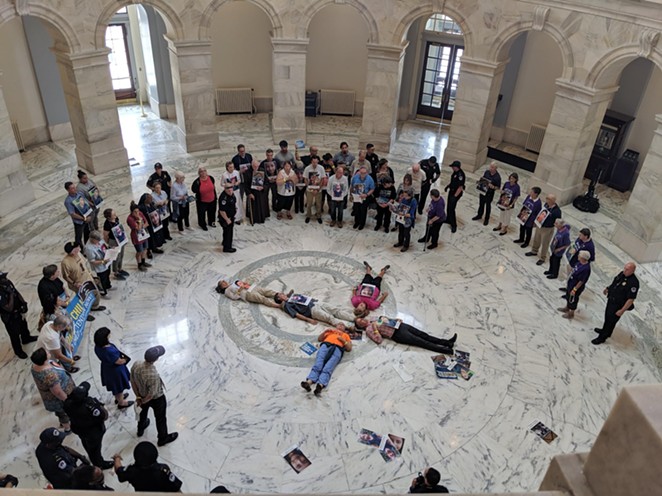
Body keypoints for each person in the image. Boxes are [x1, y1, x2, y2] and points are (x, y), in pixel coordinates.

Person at [131, 345, 178, 446]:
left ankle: (140, 429)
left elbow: (132, 381)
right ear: (156, 359)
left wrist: (138, 397)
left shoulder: (136, 364)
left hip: (141, 395)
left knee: (142, 413)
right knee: (160, 418)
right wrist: (143, 400)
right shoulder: (153, 375)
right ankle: (162, 438)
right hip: (156, 399)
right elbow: (151, 394)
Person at [63, 381, 114, 469]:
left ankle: (91, 455)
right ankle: (99, 463)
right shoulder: (90, 406)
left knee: (85, 442)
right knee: (95, 448)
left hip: (78, 428)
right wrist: (97, 404)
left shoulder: (67, 404)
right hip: (93, 432)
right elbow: (103, 416)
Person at [593, 262, 639, 345]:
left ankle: (602, 337)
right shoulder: (622, 274)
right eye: (624, 268)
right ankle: (606, 331)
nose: (624, 270)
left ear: (633, 271)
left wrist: (622, 311)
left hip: (618, 305)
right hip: (611, 300)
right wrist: (608, 288)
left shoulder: (634, 283)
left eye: (627, 269)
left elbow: (630, 300)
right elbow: (615, 283)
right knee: (608, 318)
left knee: (610, 321)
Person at [354, 316, 456, 354]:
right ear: (360, 326)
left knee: (424, 335)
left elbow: (384, 319)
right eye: (360, 322)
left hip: (401, 326)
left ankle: (448, 342)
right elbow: (378, 340)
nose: (363, 321)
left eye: (361, 319)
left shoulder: (372, 318)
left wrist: (394, 319)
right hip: (397, 334)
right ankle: (446, 350)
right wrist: (375, 329)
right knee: (422, 342)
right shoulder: (368, 330)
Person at [30, 347, 75, 431]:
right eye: (46, 353)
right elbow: (57, 392)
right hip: (58, 399)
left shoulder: (36, 366)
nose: (48, 352)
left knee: (62, 413)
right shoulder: (49, 375)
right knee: (63, 413)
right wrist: (67, 400)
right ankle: (67, 428)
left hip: (56, 393)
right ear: (44, 359)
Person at [300, 325, 353, 396]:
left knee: (329, 366)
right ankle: (309, 382)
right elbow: (319, 339)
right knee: (318, 362)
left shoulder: (346, 335)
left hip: (338, 349)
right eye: (339, 325)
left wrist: (344, 341)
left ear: (344, 329)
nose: (340, 326)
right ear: (336, 326)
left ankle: (320, 385)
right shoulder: (331, 332)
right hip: (325, 345)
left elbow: (349, 348)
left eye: (342, 325)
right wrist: (324, 332)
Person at [113, 441, 183, 492]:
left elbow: (119, 470)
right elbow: (176, 488)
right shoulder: (162, 470)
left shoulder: (131, 471)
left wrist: (117, 458)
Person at [0, 271, 37, 359]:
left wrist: (23, 303)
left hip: (18, 311)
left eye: (5, 277)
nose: (6, 279)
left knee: (24, 326)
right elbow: (8, 308)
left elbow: (16, 292)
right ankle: (18, 351)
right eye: (3, 279)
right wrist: (10, 295)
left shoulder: (7, 283)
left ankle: (26, 338)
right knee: (14, 335)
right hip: (10, 317)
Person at [93, 327, 133, 408]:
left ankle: (118, 398)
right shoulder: (109, 351)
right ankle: (121, 402)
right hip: (115, 372)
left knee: (116, 387)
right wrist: (125, 359)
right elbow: (119, 361)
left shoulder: (97, 347)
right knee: (118, 387)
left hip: (107, 368)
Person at [61, 241, 105, 312]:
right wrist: (74, 283)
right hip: (79, 283)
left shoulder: (79, 254)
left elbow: (84, 264)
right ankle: (85, 312)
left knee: (95, 292)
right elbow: (66, 276)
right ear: (72, 251)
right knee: (84, 299)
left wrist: (90, 274)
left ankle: (95, 306)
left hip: (88, 278)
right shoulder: (65, 262)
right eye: (77, 248)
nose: (79, 249)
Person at [273, 292, 356, 327]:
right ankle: (350, 326)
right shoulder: (287, 305)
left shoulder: (293, 296)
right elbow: (296, 314)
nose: (282, 294)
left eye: (281, 293)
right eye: (280, 295)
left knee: (336, 310)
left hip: (316, 303)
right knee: (330, 318)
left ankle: (355, 319)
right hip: (312, 311)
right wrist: (309, 320)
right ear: (279, 299)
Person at [526, 193, 562, 266]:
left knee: (545, 243)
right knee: (536, 239)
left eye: (548, 198)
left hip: (547, 228)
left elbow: (558, 221)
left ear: (552, 201)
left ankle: (542, 258)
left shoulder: (557, 211)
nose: (546, 199)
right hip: (540, 225)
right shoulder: (546, 205)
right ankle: (534, 251)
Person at [557, 250, 591, 320]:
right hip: (571, 283)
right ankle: (567, 307)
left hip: (576, 286)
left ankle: (571, 313)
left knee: (573, 299)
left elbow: (581, 281)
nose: (578, 256)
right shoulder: (579, 263)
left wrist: (575, 289)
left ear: (583, 258)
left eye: (579, 255)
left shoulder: (586, 269)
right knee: (568, 296)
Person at [64, 181, 93, 248]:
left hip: (86, 217)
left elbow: (85, 201)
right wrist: (84, 218)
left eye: (74, 187)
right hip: (79, 222)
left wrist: (91, 205)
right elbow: (72, 214)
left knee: (87, 233)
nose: (75, 189)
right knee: (78, 237)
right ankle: (81, 250)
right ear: (68, 190)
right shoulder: (68, 201)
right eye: (72, 188)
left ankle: (88, 247)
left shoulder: (79, 194)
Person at [102, 209, 129, 281]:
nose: (115, 215)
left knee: (121, 255)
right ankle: (115, 272)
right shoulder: (107, 224)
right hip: (113, 242)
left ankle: (120, 268)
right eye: (113, 215)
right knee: (116, 257)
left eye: (115, 214)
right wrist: (109, 244)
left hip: (120, 240)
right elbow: (105, 236)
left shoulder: (116, 219)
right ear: (108, 217)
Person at [84, 231, 112, 297]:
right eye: (97, 240)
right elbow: (92, 261)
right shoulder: (89, 248)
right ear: (92, 239)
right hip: (100, 265)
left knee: (107, 274)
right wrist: (102, 261)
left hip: (106, 261)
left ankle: (108, 286)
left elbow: (104, 246)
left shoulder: (99, 240)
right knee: (102, 279)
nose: (99, 241)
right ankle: (104, 292)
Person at [126, 203, 152, 272]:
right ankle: (139, 264)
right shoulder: (130, 219)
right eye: (135, 212)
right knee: (139, 251)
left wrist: (142, 226)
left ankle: (143, 262)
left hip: (144, 234)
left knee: (145, 248)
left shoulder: (140, 213)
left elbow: (147, 223)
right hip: (136, 237)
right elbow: (138, 229)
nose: (137, 213)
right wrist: (140, 220)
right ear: (132, 212)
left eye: (138, 211)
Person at [191, 166, 217, 230]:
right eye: (201, 171)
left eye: (204, 171)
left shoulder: (211, 178)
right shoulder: (197, 182)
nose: (203, 173)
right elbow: (193, 190)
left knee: (212, 212)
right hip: (202, 201)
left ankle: (211, 222)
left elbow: (213, 187)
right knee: (201, 214)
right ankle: (202, 224)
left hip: (212, 199)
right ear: (199, 173)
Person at [351, 166, 375, 230]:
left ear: (366, 173)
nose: (362, 174)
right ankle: (356, 222)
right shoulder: (355, 177)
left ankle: (362, 224)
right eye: (361, 173)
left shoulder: (370, 179)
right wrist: (351, 195)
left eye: (364, 173)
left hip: (365, 197)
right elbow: (352, 186)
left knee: (363, 211)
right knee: (356, 209)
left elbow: (372, 189)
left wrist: (366, 194)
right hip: (356, 196)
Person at [393, 187, 417, 252]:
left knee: (406, 233)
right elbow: (400, 206)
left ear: (410, 195)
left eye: (406, 196)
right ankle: (400, 242)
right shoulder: (404, 199)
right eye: (404, 195)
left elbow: (411, 214)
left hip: (408, 220)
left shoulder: (413, 201)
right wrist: (395, 209)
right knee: (400, 231)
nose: (404, 197)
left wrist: (403, 214)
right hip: (401, 218)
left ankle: (406, 245)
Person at [246, 159, 269, 224]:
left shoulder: (262, 170)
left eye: (257, 166)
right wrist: (249, 194)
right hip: (253, 192)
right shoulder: (247, 172)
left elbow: (267, 182)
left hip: (261, 192)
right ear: (251, 165)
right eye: (254, 166)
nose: (256, 168)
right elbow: (246, 185)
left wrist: (263, 187)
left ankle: (262, 217)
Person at [444, 160, 465, 233]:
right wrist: (448, 186)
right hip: (452, 191)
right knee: (448, 207)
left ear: (457, 167)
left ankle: (453, 225)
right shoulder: (455, 173)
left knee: (452, 209)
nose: (452, 168)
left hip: (456, 193)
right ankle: (448, 219)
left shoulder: (460, 175)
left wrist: (455, 197)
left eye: (453, 167)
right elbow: (453, 181)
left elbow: (460, 187)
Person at [303, 156, 325, 224]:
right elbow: (305, 179)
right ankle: (308, 215)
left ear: (318, 161)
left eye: (316, 162)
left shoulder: (321, 168)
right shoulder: (307, 168)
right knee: (309, 204)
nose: (315, 163)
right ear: (311, 162)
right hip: (309, 190)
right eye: (313, 162)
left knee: (318, 204)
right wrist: (311, 189)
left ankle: (318, 216)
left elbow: (322, 179)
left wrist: (318, 189)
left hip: (318, 190)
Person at [218, 184, 237, 253]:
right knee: (228, 233)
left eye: (231, 188)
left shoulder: (232, 194)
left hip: (231, 217)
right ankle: (227, 248)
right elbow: (222, 211)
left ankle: (225, 242)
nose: (229, 190)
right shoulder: (223, 198)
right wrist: (227, 219)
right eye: (227, 188)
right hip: (226, 218)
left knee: (226, 232)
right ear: (224, 189)